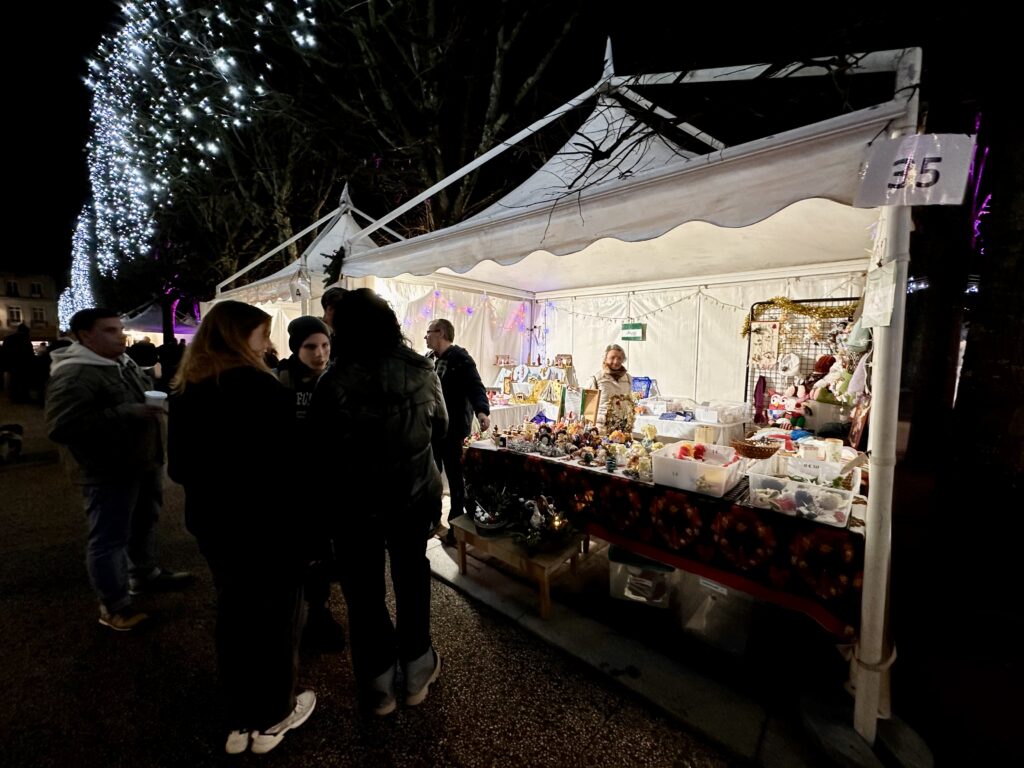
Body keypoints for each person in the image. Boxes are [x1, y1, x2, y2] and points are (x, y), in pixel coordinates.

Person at [168, 300, 315, 755]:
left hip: (216, 526)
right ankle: (273, 715)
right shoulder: (263, 391)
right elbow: (294, 468)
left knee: (235, 613)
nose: (268, 343)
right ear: (239, 336)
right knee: (276, 619)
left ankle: (241, 717)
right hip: (269, 528)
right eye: (263, 334)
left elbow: (179, 468)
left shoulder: (188, 391)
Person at [309, 288, 447, 716]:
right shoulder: (424, 370)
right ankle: (418, 668)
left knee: (363, 590)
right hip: (414, 495)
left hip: (354, 504)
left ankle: (379, 682)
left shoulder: (332, 381)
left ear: (341, 329)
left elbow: (319, 450)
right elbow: (439, 427)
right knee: (411, 577)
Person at [44, 308, 192, 632]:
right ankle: (114, 606)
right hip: (107, 470)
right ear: (85, 336)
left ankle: (143, 574)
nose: (120, 334)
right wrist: (127, 412)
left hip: (141, 462)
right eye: (110, 330)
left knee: (143, 522)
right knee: (109, 538)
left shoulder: (120, 363)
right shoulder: (75, 374)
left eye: (119, 328)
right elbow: (61, 426)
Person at [276, 315, 346, 652]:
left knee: (322, 553)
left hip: (331, 485)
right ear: (295, 348)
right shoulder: (281, 382)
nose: (319, 353)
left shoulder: (337, 379)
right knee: (302, 554)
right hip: (294, 488)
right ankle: (297, 619)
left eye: (325, 345)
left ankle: (319, 612)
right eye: (310, 346)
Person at [424, 318, 490, 544]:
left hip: (453, 430)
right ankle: (433, 519)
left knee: (454, 478)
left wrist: (482, 411)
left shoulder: (461, 358)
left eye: (428, 332)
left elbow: (476, 386)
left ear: (440, 332)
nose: (425, 337)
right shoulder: (428, 359)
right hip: (431, 430)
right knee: (432, 477)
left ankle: (456, 524)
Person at [587, 344, 634, 432]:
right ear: (605, 359)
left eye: (619, 358)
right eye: (612, 357)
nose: (616, 361)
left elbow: (628, 403)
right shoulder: (596, 379)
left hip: (622, 428)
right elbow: (588, 410)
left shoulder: (628, 379)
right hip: (601, 428)